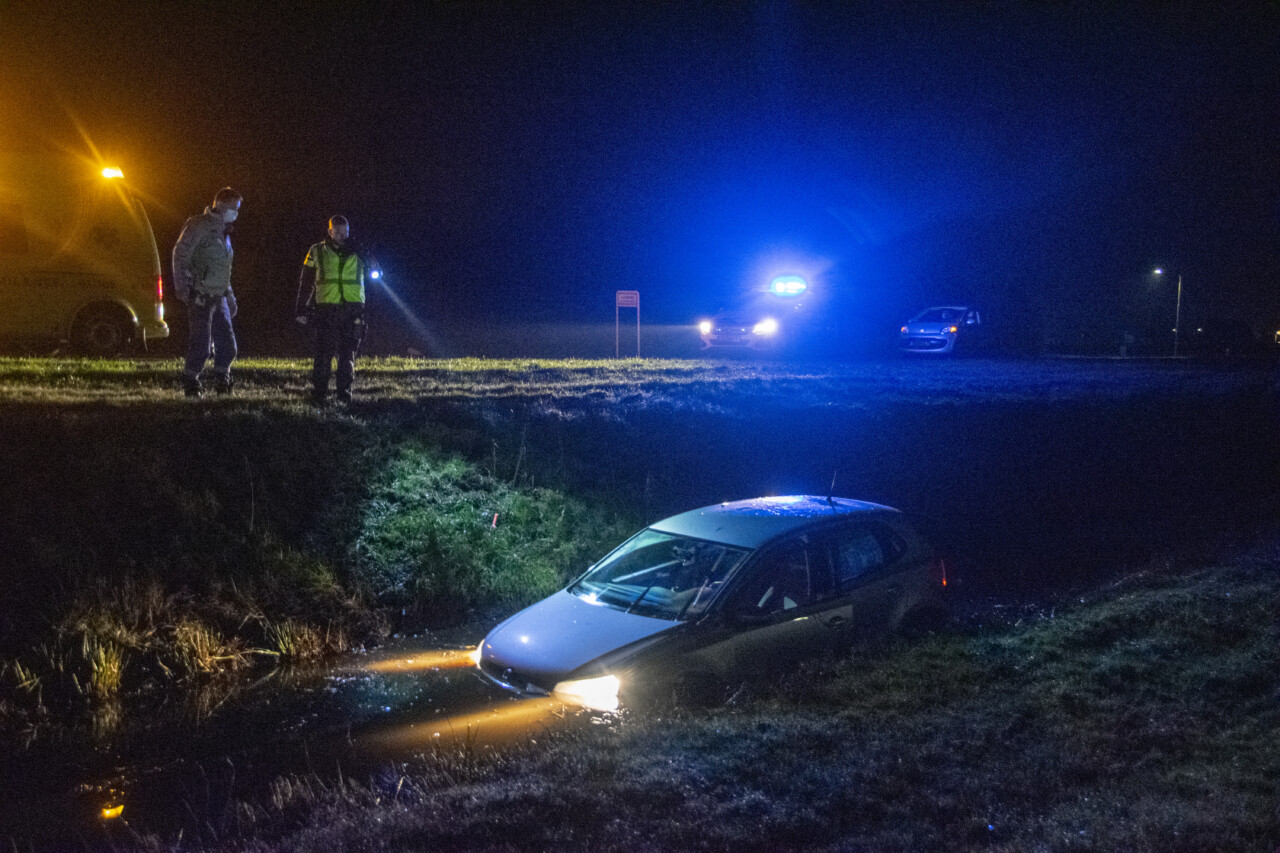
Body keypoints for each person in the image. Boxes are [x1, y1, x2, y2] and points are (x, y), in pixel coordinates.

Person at [296, 215, 376, 405]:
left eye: (345, 232)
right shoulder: (316, 250)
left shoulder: (359, 251)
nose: (341, 236)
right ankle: (319, 394)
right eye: (337, 232)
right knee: (323, 353)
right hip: (326, 308)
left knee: (348, 353)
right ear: (329, 231)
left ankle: (344, 395)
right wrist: (301, 308)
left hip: (353, 308)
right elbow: (306, 280)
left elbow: (375, 273)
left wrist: (364, 252)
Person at [172, 187, 243, 397]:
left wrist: (229, 296)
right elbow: (180, 254)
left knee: (228, 345)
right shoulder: (198, 225)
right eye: (233, 208)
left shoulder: (224, 230)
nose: (236, 213)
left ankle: (223, 379)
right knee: (201, 345)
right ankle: (191, 382)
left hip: (219, 295)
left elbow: (222, 268)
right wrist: (182, 287)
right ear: (220, 204)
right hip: (200, 295)